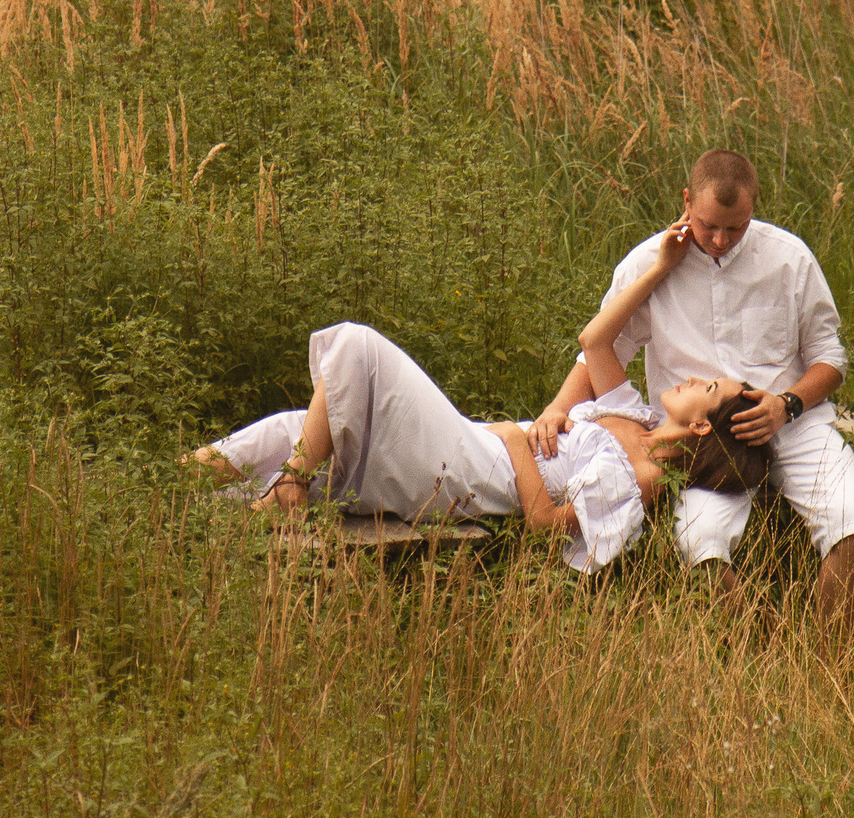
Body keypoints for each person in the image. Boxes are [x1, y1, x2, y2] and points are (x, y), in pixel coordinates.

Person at [186, 217, 768, 574]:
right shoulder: (633, 416)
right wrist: (660, 268)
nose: (689, 379)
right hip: (469, 441)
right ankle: (170, 485)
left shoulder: (644, 479)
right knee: (292, 429)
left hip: (472, 476)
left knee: (359, 349)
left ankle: (289, 486)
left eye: (707, 387)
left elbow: (545, 524)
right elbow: (595, 339)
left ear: (701, 427)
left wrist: (515, 438)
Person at [528, 149, 854, 619]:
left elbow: (829, 358)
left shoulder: (789, 258)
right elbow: (603, 348)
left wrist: (787, 404)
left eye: (736, 228)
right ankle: (757, 648)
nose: (720, 239)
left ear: (754, 206)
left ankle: (829, 655)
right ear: (687, 201)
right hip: (702, 444)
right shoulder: (648, 262)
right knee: (700, 545)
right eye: (708, 225)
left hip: (793, 423)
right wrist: (557, 407)